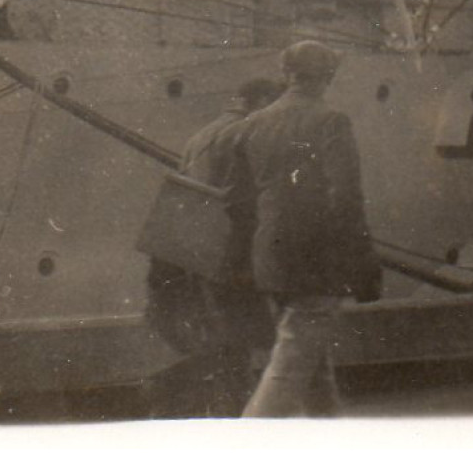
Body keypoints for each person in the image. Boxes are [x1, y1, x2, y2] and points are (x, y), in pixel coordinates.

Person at [233, 40, 381, 417]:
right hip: (315, 261)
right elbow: (347, 199)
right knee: (289, 367)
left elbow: (239, 202)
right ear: (328, 76)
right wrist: (364, 265)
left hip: (269, 258)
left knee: (311, 365)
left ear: (286, 74)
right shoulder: (331, 121)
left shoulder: (250, 125)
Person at [142, 76, 284, 418]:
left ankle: (227, 409)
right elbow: (248, 203)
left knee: (227, 340)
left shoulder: (202, 135)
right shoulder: (246, 135)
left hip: (194, 254)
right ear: (261, 100)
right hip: (230, 254)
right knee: (245, 339)